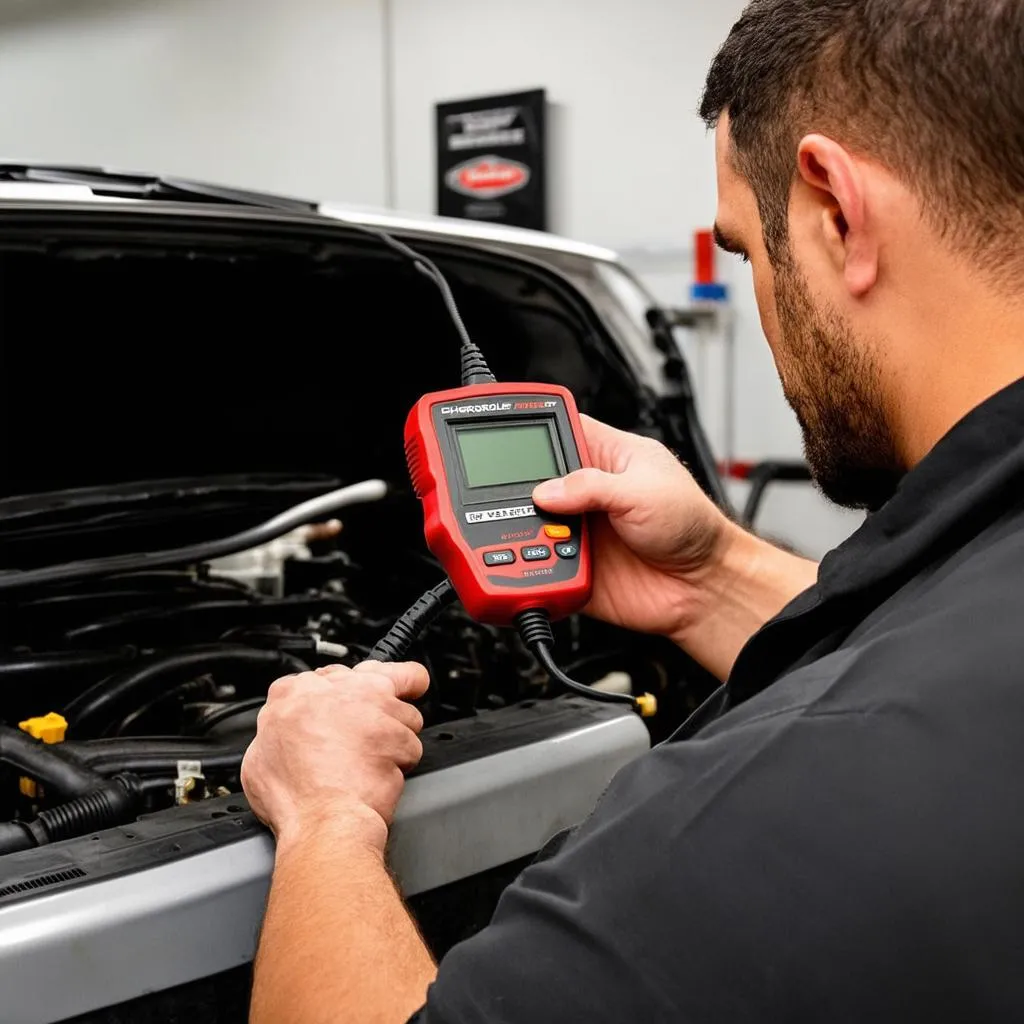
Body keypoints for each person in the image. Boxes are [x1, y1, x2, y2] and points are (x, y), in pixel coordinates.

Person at [241, 0, 1024, 1019]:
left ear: (834, 207)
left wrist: (324, 815)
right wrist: (712, 579)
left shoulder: (781, 808)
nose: (761, 301)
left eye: (744, 252)